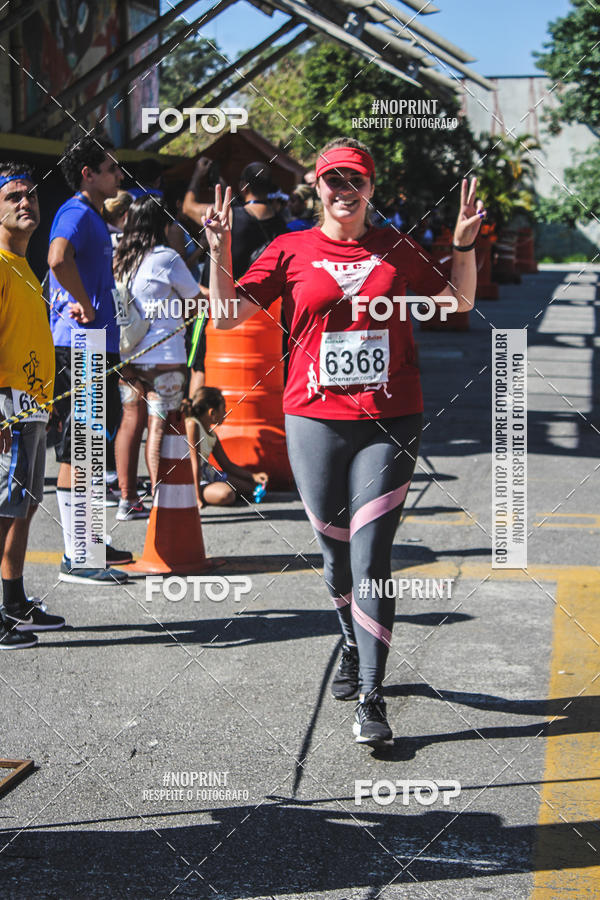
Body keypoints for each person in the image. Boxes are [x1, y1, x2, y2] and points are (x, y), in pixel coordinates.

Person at [204, 136, 484, 746]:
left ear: (370, 188)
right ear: (317, 186)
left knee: (371, 557)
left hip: (390, 421)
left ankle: (372, 695)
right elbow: (225, 315)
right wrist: (218, 248)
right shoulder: (289, 248)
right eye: (333, 180)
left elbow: (457, 300)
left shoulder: (396, 249)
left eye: (355, 180)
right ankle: (351, 642)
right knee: (333, 558)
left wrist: (462, 243)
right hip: (313, 421)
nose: (344, 191)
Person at [48, 134, 131, 584]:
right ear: (89, 174)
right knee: (83, 447)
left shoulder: (91, 215)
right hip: (82, 343)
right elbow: (57, 258)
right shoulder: (76, 211)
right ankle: (80, 556)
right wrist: (84, 302)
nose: (119, 175)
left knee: (87, 448)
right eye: (112, 168)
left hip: (93, 344)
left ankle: (87, 543)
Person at [0, 163, 66, 647]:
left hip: (34, 405)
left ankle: (15, 601)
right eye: (13, 197)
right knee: (4, 510)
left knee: (22, 507)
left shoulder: (25, 265)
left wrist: (48, 400)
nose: (26, 203)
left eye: (31, 196)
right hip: (8, 408)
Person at [112, 196, 204, 519]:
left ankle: (126, 499)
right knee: (159, 428)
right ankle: (160, 501)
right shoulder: (167, 258)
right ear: (162, 225)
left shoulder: (120, 259)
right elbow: (194, 300)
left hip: (128, 357)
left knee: (129, 423)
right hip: (165, 357)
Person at [182, 387, 268, 509]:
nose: (226, 412)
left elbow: (227, 465)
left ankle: (212, 489)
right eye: (223, 408)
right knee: (227, 495)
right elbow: (194, 464)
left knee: (250, 487)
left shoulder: (212, 434)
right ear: (212, 413)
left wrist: (253, 476)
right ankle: (193, 494)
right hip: (189, 478)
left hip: (207, 474)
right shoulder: (192, 425)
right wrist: (196, 498)